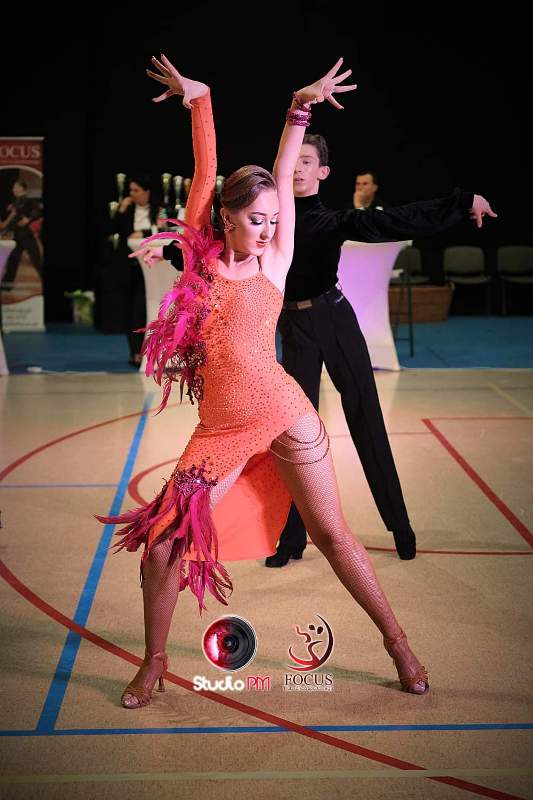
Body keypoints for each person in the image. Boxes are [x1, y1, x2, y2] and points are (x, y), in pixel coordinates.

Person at [98, 53, 432, 710]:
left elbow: (282, 173)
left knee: (332, 535)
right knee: (161, 546)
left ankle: (398, 644)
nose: (269, 230)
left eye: (274, 220)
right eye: (256, 219)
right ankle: (155, 662)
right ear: (224, 217)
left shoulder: (275, 260)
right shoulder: (201, 259)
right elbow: (204, 173)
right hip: (221, 428)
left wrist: (298, 108)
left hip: (283, 411)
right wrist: (200, 101)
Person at [251, 133, 496, 568]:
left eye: (308, 161)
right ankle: (292, 537)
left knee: (366, 420)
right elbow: (223, 243)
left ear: (323, 172)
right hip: (293, 328)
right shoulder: (267, 221)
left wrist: (461, 203)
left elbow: (397, 221)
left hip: (335, 322)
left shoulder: (330, 220)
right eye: (295, 159)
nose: (300, 167)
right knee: (294, 435)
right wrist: (176, 252)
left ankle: (400, 525)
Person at [110, 176, 166, 365]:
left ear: (146, 191)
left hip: (152, 266)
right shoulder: (128, 210)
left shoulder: (159, 208)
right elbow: (116, 231)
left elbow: (164, 230)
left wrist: (143, 233)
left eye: (136, 190)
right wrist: (121, 210)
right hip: (130, 266)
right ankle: (135, 351)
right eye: (130, 190)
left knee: (143, 307)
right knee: (130, 309)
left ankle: (150, 350)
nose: (132, 194)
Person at [0, 180, 43, 288]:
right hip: (17, 236)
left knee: (36, 260)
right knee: (13, 260)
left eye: (15, 187)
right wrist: (5, 231)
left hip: (26, 235)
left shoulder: (28, 200)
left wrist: (28, 219)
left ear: (21, 188)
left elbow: (38, 211)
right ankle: (7, 285)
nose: (13, 190)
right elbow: (13, 220)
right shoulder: (15, 202)